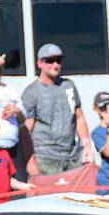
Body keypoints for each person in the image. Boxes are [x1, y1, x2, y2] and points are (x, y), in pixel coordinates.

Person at [22, 43, 95, 175]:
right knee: (48, 196)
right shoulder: (32, 92)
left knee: (74, 195)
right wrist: (29, 160)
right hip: (44, 158)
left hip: (72, 157)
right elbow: (27, 129)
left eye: (58, 60)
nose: (55, 65)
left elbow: (79, 117)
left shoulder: (69, 85)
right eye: (50, 61)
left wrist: (87, 145)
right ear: (40, 63)